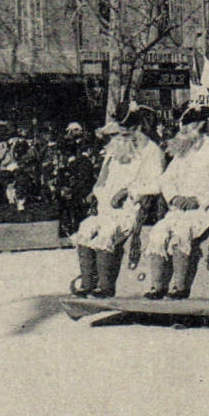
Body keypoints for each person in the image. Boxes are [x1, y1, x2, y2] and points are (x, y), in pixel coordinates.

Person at [140, 104, 209, 300]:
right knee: (158, 232)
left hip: (203, 210)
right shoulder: (183, 151)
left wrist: (199, 200)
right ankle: (157, 287)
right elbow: (166, 179)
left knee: (181, 233)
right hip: (178, 209)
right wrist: (174, 197)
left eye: (189, 126)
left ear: (200, 126)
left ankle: (179, 287)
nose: (184, 130)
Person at [71, 107, 163, 298]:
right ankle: (87, 283)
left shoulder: (151, 151)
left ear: (138, 128)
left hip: (130, 209)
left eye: (127, 132)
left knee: (107, 232)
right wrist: (97, 191)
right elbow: (104, 178)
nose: (122, 137)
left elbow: (157, 184)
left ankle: (106, 287)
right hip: (106, 209)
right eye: (120, 132)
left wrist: (128, 191)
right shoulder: (115, 149)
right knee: (85, 228)